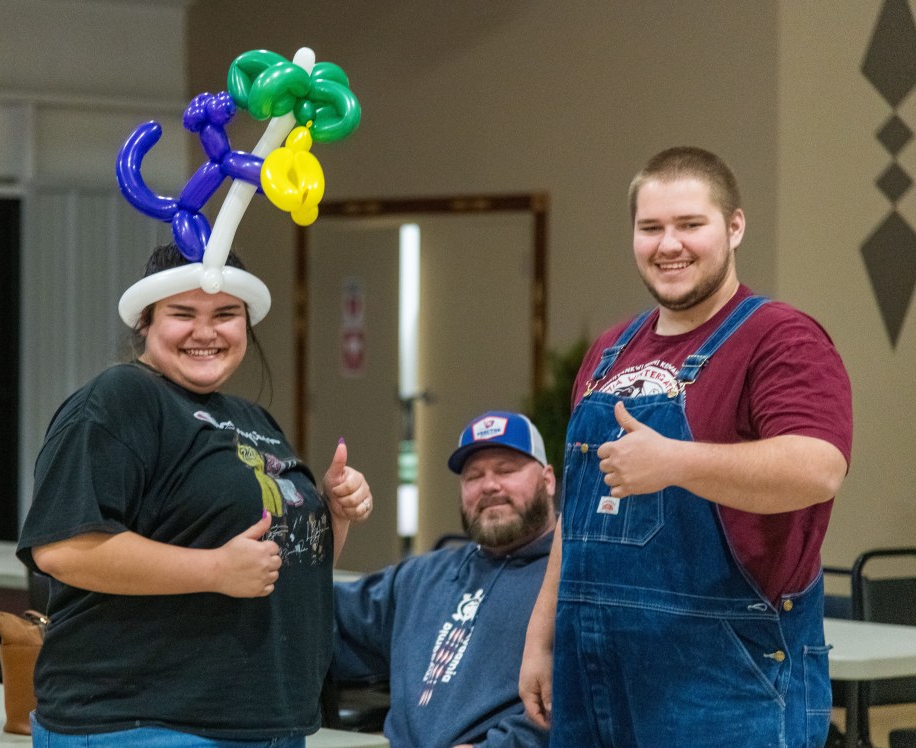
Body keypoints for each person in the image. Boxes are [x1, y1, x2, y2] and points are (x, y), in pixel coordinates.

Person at [519, 146, 852, 748]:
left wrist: (676, 462)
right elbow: (579, 510)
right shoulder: (608, 351)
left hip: (727, 682)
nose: (668, 244)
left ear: (734, 226)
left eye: (690, 225)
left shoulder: (780, 337)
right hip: (592, 665)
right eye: (651, 228)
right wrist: (541, 636)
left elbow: (818, 467)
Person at [16, 243, 373, 747]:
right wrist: (214, 570)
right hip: (143, 724)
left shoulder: (254, 421)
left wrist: (333, 513)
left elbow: (279, 567)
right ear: (146, 321)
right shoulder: (119, 398)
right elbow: (62, 548)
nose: (205, 332)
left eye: (226, 315)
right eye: (183, 314)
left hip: (263, 724)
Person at [332, 410, 555, 747]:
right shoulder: (423, 577)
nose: (490, 485)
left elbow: (586, 702)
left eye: (506, 470)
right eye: (473, 476)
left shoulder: (570, 582)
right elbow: (324, 616)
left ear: (548, 480)